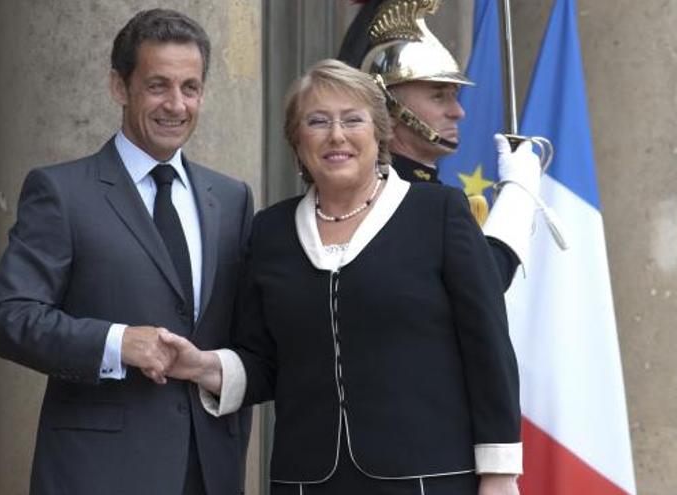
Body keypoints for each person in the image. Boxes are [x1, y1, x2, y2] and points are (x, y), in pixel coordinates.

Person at [162, 59, 521, 495]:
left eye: (353, 119)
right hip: (306, 482)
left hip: (429, 478)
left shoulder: (439, 213)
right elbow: (263, 362)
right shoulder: (270, 231)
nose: (337, 135)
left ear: (380, 132)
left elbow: (488, 347)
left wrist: (500, 474)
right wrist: (204, 366)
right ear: (297, 140)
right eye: (317, 121)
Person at [0, 9, 252, 495]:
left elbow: (245, 334)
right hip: (97, 473)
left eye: (190, 87)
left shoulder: (231, 199)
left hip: (209, 470)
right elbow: (8, 317)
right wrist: (116, 343)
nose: (176, 104)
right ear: (119, 87)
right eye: (157, 86)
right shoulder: (61, 192)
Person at [345, 0, 543, 290]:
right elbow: (485, 281)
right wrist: (518, 194)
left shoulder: (423, 191)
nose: (458, 111)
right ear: (387, 108)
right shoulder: (398, 196)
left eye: (454, 95)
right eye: (439, 97)